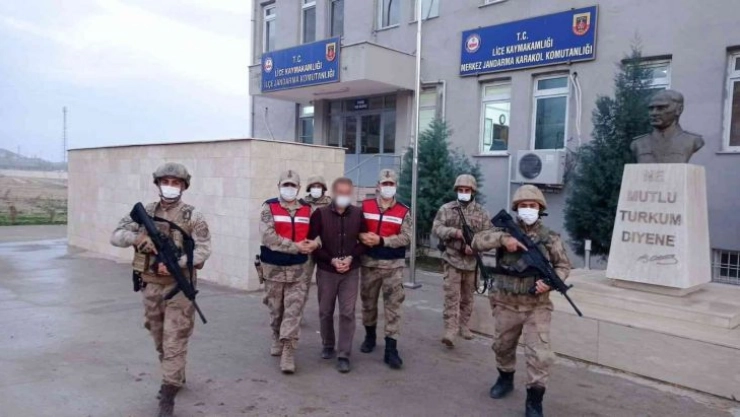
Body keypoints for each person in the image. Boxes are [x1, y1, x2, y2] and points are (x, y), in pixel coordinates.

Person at [110, 162, 211, 417]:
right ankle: (175, 373)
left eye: (176, 183)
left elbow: (204, 249)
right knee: (159, 339)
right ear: (158, 184)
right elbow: (116, 235)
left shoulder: (193, 216)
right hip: (151, 286)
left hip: (179, 288)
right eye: (166, 182)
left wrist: (180, 263)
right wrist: (137, 238)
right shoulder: (145, 212)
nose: (170, 186)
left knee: (174, 340)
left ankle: (168, 393)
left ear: (184, 186)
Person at [471, 185, 571, 417]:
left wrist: (551, 282)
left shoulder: (550, 237)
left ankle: (534, 401)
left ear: (540, 208)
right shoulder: (503, 231)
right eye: (523, 205)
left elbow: (563, 266)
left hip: (537, 306)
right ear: (516, 209)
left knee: (540, 355)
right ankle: (505, 378)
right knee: (502, 346)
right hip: (505, 303)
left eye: (532, 205)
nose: (528, 209)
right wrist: (503, 239)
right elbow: (477, 240)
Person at [259, 170, 318, 374]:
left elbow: (317, 234)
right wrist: (295, 246)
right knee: (276, 311)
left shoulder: (307, 210)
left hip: (298, 270)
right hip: (273, 269)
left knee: (293, 312)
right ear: (279, 186)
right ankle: (276, 336)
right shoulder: (269, 207)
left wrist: (315, 244)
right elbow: (268, 237)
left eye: (293, 185)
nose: (289, 189)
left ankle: (288, 351)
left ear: (299, 188)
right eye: (286, 185)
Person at [308, 177, 366, 373]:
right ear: (333, 193)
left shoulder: (358, 214)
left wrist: (351, 257)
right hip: (327, 270)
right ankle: (328, 343)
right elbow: (312, 244)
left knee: (347, 312)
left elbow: (364, 242)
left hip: (351, 271)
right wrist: (331, 259)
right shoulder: (320, 214)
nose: (344, 196)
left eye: (347, 193)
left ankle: (344, 354)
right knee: (325, 310)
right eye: (340, 192)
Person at [358, 169, 412, 370]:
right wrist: (362, 236)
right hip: (369, 264)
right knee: (368, 304)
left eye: (391, 184)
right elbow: (356, 228)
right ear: (378, 186)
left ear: (396, 186)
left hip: (393, 267)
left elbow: (406, 237)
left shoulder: (403, 211)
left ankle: (391, 349)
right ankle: (370, 336)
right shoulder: (365, 206)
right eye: (384, 183)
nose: (388, 187)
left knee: (393, 307)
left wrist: (382, 240)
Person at [432, 174, 491, 348]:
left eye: (467, 190)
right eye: (461, 190)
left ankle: (464, 325)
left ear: (473, 191)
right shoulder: (447, 209)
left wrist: (476, 247)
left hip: (472, 263)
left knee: (468, 297)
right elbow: (436, 229)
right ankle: (450, 329)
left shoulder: (482, 212)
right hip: (452, 259)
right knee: (452, 296)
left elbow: (489, 236)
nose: (464, 192)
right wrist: (454, 233)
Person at [630, 89, 704, 163]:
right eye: (651, 109)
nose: (653, 113)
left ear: (679, 110)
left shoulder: (692, 141)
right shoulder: (638, 143)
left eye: (661, 108)